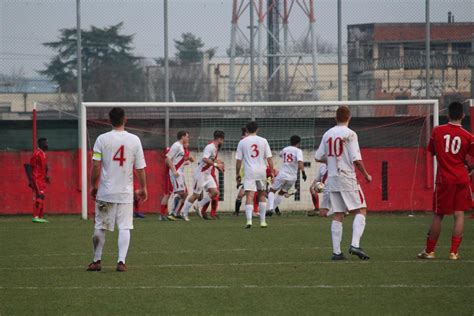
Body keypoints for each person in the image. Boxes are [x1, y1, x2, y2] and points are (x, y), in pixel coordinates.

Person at [87, 107, 147, 272]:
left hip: (105, 193)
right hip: (125, 193)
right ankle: (121, 262)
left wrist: (93, 185)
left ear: (109, 120)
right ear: (125, 119)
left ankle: (96, 260)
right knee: (125, 226)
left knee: (100, 226)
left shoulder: (101, 139)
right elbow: (140, 168)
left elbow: (96, 165)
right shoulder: (134, 140)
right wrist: (143, 188)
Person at [418, 101, 474, 261]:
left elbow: (432, 151)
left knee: (438, 214)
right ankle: (454, 252)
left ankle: (429, 251)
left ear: (448, 114)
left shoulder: (438, 131)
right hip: (462, 179)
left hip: (444, 179)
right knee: (459, 214)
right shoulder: (468, 136)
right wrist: (470, 167)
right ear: (463, 115)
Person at [315, 106, 372, 261]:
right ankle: (354, 244)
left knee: (338, 214)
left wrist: (333, 159)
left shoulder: (328, 134)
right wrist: (366, 175)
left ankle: (337, 252)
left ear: (335, 118)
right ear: (349, 117)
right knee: (361, 210)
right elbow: (356, 159)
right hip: (347, 177)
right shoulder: (350, 134)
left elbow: (318, 156)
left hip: (332, 179)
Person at [236, 121, 274, 228]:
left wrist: (237, 173)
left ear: (246, 130)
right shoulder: (263, 141)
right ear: (257, 129)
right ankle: (263, 221)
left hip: (249, 171)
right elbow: (269, 158)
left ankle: (249, 221)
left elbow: (238, 160)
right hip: (261, 170)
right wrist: (271, 171)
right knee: (262, 195)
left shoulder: (243, 142)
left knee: (250, 195)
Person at [182, 131, 225, 221]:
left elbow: (212, 160)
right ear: (220, 139)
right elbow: (204, 159)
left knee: (215, 192)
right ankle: (184, 213)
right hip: (201, 173)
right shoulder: (210, 147)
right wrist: (216, 165)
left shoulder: (216, 148)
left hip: (207, 174)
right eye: (223, 140)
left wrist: (218, 165)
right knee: (196, 195)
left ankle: (199, 205)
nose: (223, 142)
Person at [267, 135, 306, 215]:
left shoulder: (285, 149)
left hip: (283, 174)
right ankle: (273, 209)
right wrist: (303, 173)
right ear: (298, 143)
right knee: (281, 193)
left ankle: (271, 208)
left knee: (272, 190)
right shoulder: (298, 151)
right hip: (292, 177)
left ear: (290, 141)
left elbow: (281, 155)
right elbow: (300, 162)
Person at [165, 131, 193, 221]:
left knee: (185, 194)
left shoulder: (181, 147)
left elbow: (177, 160)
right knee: (180, 192)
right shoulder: (176, 145)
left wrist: (186, 161)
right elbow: (168, 158)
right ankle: (171, 213)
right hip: (176, 172)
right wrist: (174, 170)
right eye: (187, 137)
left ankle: (176, 213)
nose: (188, 138)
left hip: (180, 172)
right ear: (182, 137)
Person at [29, 138, 50, 223]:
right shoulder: (36, 154)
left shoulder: (43, 154)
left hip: (42, 179)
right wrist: (31, 180)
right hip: (37, 178)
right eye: (46, 143)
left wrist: (46, 176)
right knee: (39, 196)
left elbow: (43, 167)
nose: (47, 145)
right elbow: (31, 166)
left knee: (42, 197)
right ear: (41, 144)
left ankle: (40, 217)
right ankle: (35, 216)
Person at [234, 127, 249, 216]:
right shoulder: (243, 141)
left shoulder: (255, 140)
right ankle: (236, 213)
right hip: (249, 173)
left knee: (265, 193)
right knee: (240, 195)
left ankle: (274, 210)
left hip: (258, 172)